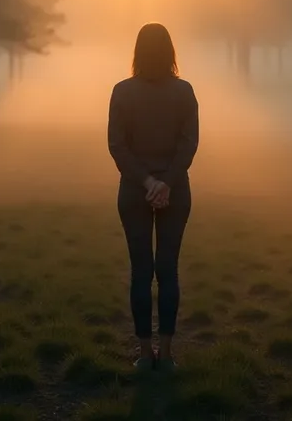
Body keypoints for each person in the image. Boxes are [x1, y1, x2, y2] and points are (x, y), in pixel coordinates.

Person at [107, 22, 199, 372]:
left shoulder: (122, 91)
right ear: (171, 51)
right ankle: (169, 353)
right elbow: (188, 144)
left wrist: (146, 182)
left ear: (137, 52)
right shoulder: (184, 91)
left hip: (132, 191)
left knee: (141, 271)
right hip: (175, 192)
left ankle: (145, 356)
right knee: (168, 270)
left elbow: (117, 145)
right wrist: (165, 183)